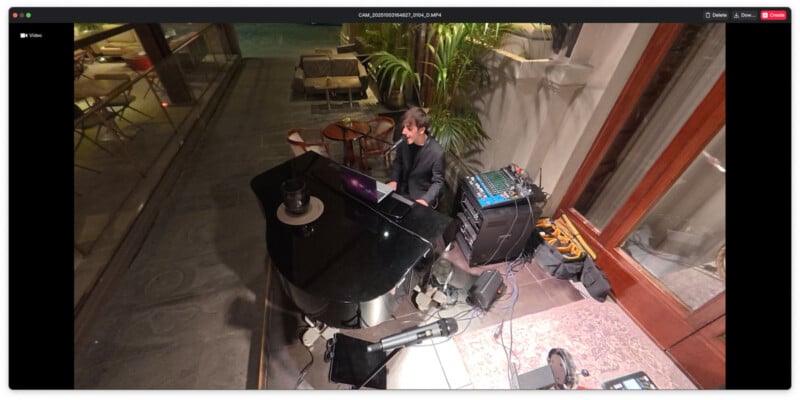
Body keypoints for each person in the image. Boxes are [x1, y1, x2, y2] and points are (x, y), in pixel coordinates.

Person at [387, 107, 445, 208]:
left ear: (421, 130)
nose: (403, 132)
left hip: (420, 196)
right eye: (404, 127)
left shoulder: (436, 152)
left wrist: (426, 199)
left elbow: (438, 181)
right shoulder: (404, 142)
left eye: (409, 129)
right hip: (401, 189)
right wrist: (394, 180)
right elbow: (398, 162)